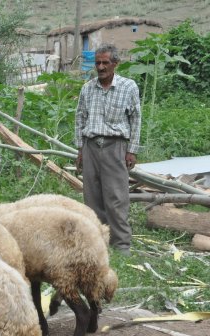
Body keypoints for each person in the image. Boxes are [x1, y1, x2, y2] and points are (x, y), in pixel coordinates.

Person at [75, 43, 141, 256]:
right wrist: (80, 150)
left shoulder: (128, 86)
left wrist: (132, 150)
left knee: (116, 197)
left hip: (115, 147)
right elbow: (79, 119)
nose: (101, 67)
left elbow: (136, 119)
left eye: (105, 62)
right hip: (91, 146)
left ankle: (121, 244)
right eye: (98, 63)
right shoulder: (87, 88)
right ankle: (99, 242)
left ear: (115, 64)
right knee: (92, 198)